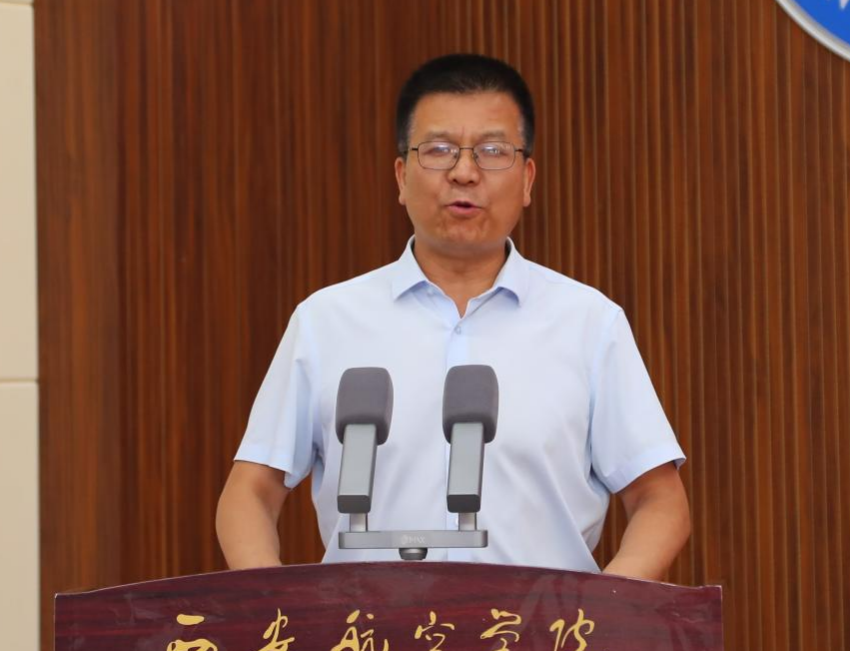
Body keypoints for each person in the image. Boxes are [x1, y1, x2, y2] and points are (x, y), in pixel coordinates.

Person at [216, 53, 689, 580]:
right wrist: (277, 610)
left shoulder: (589, 324)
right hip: (367, 623)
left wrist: (601, 616)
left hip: (538, 625)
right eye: (439, 150)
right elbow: (250, 493)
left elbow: (660, 501)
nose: (464, 173)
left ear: (527, 180)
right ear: (401, 176)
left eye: (492, 151)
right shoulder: (326, 322)